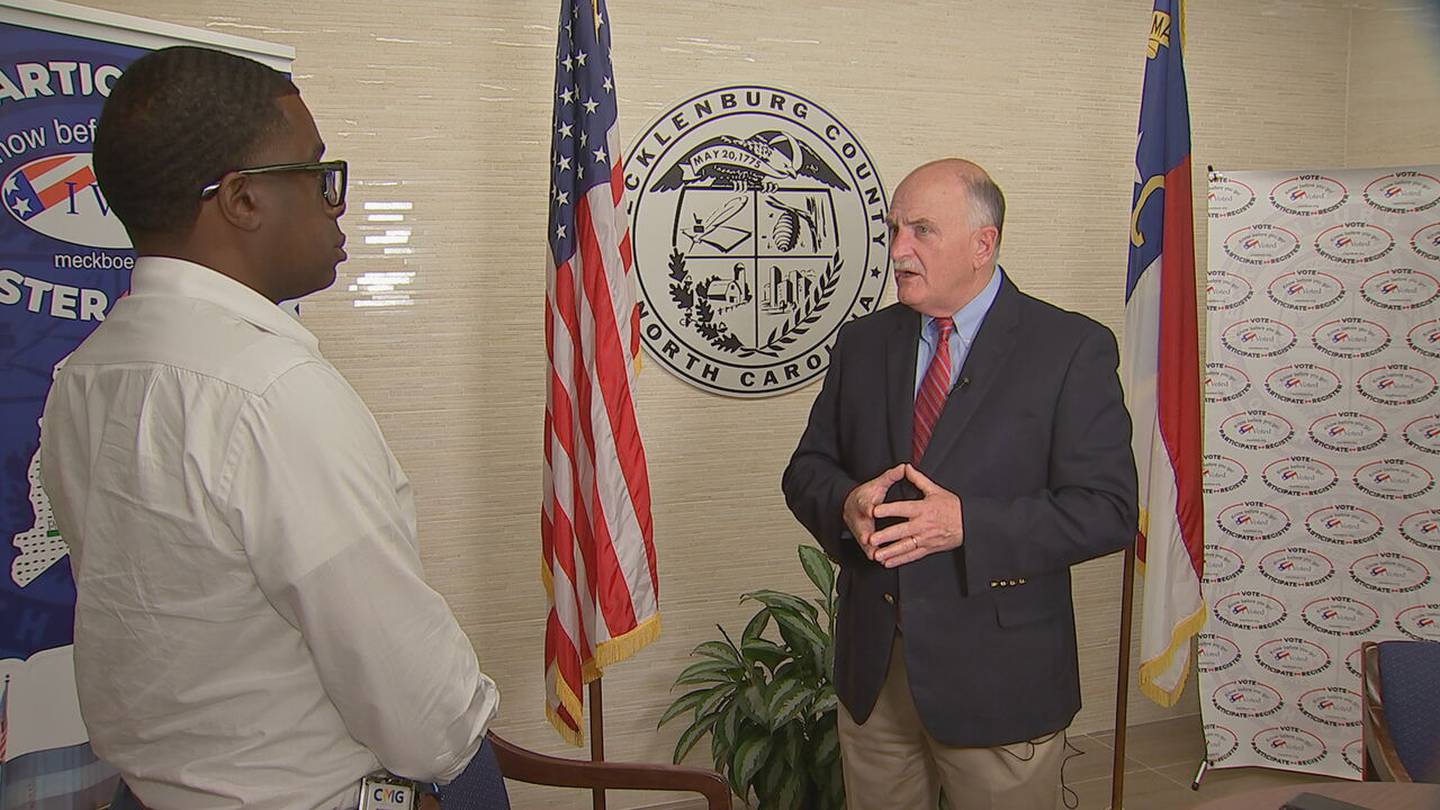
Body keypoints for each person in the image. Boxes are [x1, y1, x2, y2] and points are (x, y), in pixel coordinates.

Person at [39, 46, 497, 809]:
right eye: (316, 173)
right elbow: (424, 717)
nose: (334, 202)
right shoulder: (273, 395)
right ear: (242, 199)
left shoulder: (85, 374)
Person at [782, 159, 1137, 809]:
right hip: (877, 679)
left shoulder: (1070, 348)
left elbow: (1107, 510)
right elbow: (807, 468)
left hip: (1000, 681)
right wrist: (846, 503)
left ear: (983, 244)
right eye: (894, 228)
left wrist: (967, 524)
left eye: (921, 230)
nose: (898, 250)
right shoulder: (863, 344)